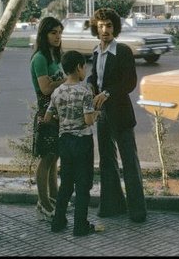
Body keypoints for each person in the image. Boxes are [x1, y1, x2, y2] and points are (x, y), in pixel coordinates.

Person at [88, 8, 147, 223]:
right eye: (101, 26)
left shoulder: (122, 51)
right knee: (107, 162)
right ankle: (112, 206)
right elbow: (95, 77)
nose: (105, 30)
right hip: (103, 115)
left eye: (109, 26)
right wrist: (89, 85)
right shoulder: (96, 52)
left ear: (115, 28)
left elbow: (129, 82)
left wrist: (107, 93)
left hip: (121, 113)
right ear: (96, 28)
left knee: (129, 162)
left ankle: (137, 211)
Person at [47, 50, 99, 236]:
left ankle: (58, 221)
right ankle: (80, 225)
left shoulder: (57, 91)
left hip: (64, 141)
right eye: (84, 67)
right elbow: (88, 120)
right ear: (78, 67)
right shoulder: (85, 91)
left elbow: (48, 117)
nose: (85, 71)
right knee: (83, 185)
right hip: (82, 142)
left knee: (67, 183)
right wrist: (96, 110)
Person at [30, 17, 66, 221]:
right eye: (53, 33)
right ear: (44, 35)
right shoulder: (40, 58)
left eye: (60, 32)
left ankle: (54, 197)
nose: (58, 36)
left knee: (54, 157)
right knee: (46, 158)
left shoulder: (54, 56)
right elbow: (45, 88)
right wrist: (68, 79)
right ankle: (42, 203)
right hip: (47, 114)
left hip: (57, 113)